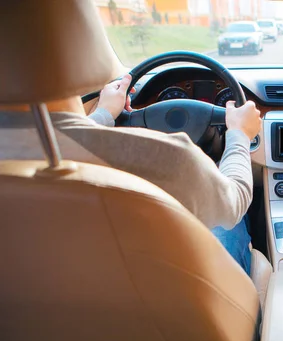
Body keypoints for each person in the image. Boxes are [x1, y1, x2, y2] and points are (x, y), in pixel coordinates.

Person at [0, 74, 261, 275]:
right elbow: (233, 201)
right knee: (227, 223)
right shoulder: (168, 156)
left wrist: (103, 115)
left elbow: (57, 141)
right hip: (174, 323)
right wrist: (239, 134)